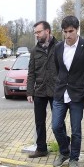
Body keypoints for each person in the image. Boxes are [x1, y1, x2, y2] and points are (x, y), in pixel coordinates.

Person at [52, 15, 84, 167]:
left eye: (71, 31)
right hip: (60, 93)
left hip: (77, 95)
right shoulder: (58, 47)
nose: (68, 35)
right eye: (65, 31)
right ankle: (64, 151)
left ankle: (74, 158)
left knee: (76, 130)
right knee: (56, 126)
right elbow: (59, 69)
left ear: (77, 30)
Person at [26, 21, 59, 158]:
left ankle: (64, 147)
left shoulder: (59, 47)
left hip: (56, 90)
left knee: (58, 122)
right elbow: (31, 72)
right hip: (39, 91)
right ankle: (41, 148)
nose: (37, 35)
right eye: (35, 33)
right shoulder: (34, 51)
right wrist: (29, 92)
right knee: (39, 122)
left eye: (39, 32)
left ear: (47, 31)